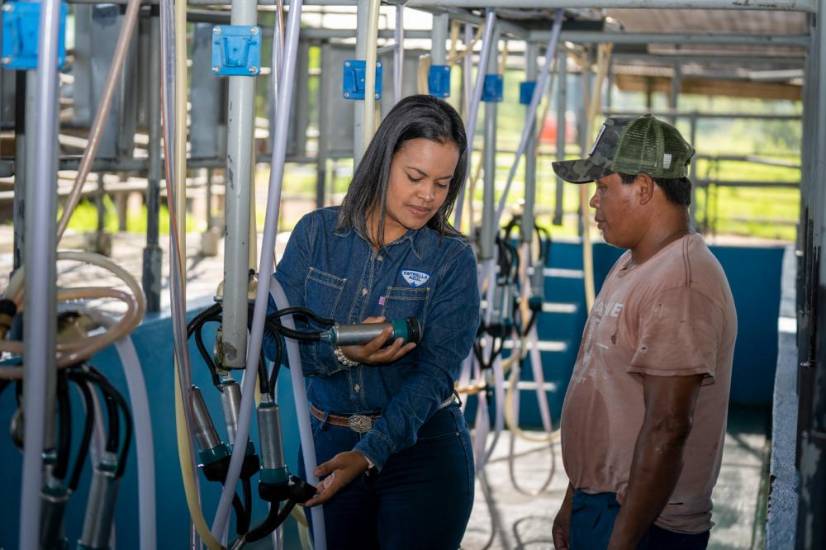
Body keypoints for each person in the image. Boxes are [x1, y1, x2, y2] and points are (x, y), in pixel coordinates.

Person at [272, 95, 479, 549]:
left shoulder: (451, 258)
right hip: (329, 444)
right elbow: (272, 341)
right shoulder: (317, 235)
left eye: (443, 184)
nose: (428, 195)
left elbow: (436, 374)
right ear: (382, 162)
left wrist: (370, 453)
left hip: (422, 453)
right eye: (415, 177)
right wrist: (340, 353)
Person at [550, 114, 738, 550]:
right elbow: (604, 392)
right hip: (604, 506)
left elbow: (667, 427)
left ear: (646, 188)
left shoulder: (681, 283)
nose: (594, 203)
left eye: (602, 187)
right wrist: (574, 497)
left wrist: (622, 540)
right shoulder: (632, 262)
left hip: (644, 521)